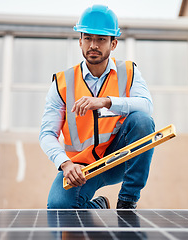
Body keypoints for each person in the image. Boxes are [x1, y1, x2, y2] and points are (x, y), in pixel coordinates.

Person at [39, 4, 155, 209]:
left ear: (114, 43)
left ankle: (128, 200)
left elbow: (146, 107)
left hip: (118, 158)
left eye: (101, 39)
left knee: (142, 121)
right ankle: (99, 206)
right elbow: (47, 133)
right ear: (80, 41)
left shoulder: (128, 72)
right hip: (82, 167)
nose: (93, 44)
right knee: (58, 208)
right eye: (88, 38)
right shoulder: (62, 82)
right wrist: (65, 164)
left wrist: (107, 101)